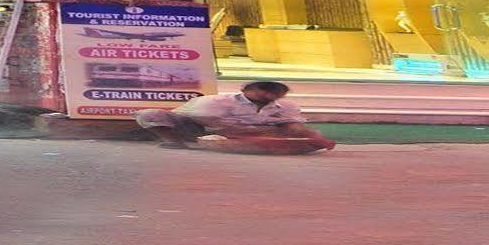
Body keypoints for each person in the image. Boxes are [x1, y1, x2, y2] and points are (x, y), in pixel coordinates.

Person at [134, 81, 337, 154]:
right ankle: (178, 143)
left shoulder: (286, 106)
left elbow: (293, 126)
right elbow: (212, 124)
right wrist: (242, 133)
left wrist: (313, 137)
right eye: (262, 89)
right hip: (203, 130)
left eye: (275, 91)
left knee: (302, 137)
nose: (268, 94)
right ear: (245, 90)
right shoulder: (216, 102)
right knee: (150, 115)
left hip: (258, 133)